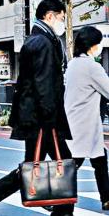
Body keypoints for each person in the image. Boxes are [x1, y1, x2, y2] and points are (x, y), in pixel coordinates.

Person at [0, 0, 72, 216]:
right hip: (43, 118)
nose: (62, 22)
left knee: (38, 163)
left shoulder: (39, 39)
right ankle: (63, 210)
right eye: (61, 17)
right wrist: (50, 117)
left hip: (37, 116)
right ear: (50, 16)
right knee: (65, 162)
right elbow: (43, 84)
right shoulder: (43, 43)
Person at [64, 26, 109, 208]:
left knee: (99, 158)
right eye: (98, 43)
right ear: (92, 45)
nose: (100, 46)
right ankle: (58, 198)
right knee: (74, 163)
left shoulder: (72, 64)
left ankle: (106, 198)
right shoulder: (92, 67)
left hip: (74, 122)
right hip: (85, 125)